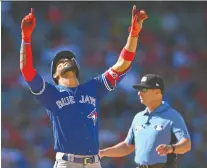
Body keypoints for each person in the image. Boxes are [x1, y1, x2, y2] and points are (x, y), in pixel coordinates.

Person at [20, 6, 148, 168]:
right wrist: (26, 37)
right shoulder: (50, 94)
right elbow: (27, 70)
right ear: (54, 75)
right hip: (67, 163)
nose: (65, 60)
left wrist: (134, 34)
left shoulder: (94, 87)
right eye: (60, 61)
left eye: (68, 59)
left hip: (94, 163)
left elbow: (122, 65)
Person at [99, 74, 191, 168]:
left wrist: (171, 148)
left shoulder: (172, 116)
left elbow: (187, 144)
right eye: (139, 90)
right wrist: (103, 153)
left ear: (157, 92)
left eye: (144, 90)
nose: (139, 93)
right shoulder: (138, 117)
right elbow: (127, 146)